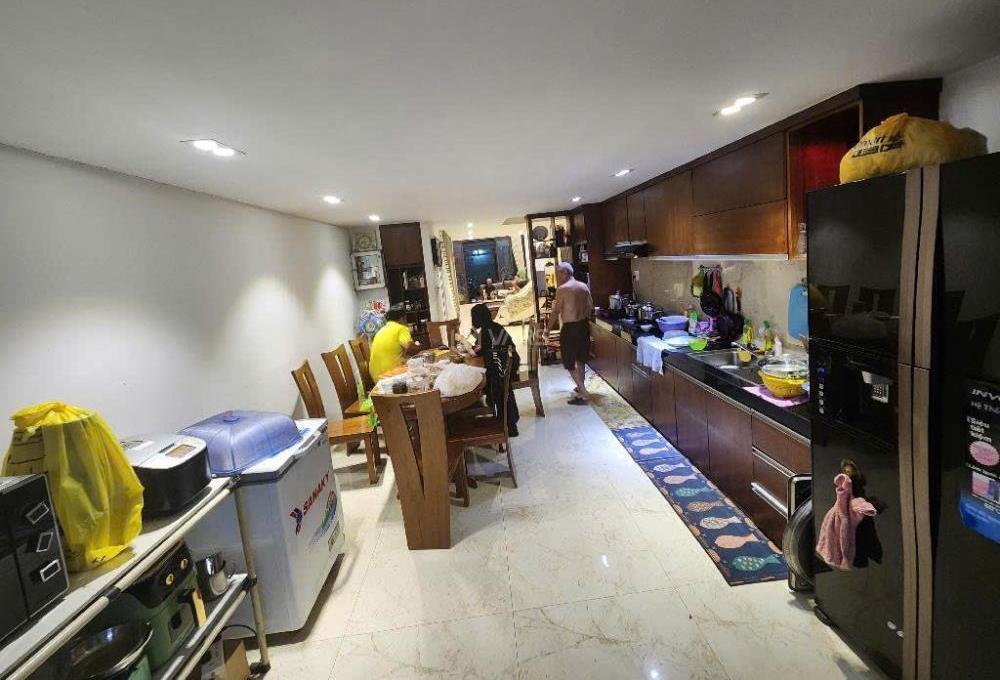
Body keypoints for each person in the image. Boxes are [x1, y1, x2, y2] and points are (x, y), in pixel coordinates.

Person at [544, 262, 593, 404]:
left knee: (569, 362)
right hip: (583, 326)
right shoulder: (583, 286)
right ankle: (580, 388)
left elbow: (555, 312)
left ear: (565, 273)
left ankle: (584, 393)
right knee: (581, 359)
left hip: (570, 328)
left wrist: (547, 330)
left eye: (558, 273)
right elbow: (590, 306)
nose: (557, 277)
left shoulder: (563, 289)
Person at [470, 303, 520, 437]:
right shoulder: (495, 327)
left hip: (498, 374)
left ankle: (495, 417)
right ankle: (511, 420)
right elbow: (491, 344)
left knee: (482, 381)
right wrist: (477, 336)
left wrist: (464, 340)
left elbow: (476, 352)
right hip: (510, 367)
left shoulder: (485, 332)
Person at [369, 307, 420, 379]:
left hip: (376, 377)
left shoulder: (381, 330)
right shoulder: (401, 328)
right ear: (402, 318)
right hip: (391, 376)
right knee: (420, 371)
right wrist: (417, 345)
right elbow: (411, 349)